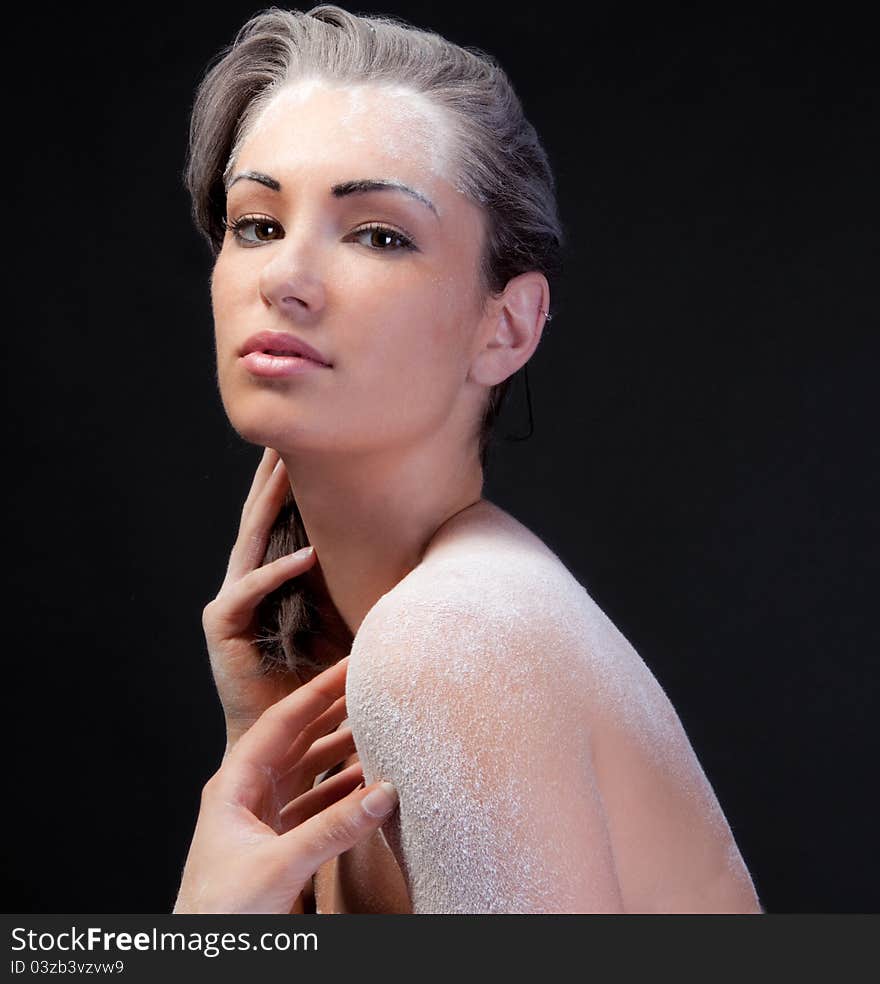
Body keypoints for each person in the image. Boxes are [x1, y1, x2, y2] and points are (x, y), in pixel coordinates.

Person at [177, 4, 764, 913]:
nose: (283, 277)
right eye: (256, 224)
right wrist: (267, 751)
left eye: (379, 234)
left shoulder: (452, 642)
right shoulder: (433, 627)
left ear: (507, 326)